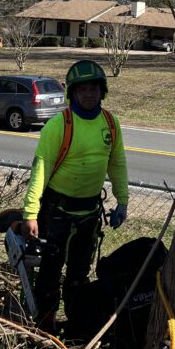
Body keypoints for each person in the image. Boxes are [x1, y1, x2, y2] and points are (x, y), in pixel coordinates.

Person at [22, 59, 128, 331]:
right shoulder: (60, 125)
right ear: (73, 94)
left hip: (89, 214)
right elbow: (41, 168)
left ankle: (77, 322)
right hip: (57, 213)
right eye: (82, 90)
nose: (89, 94)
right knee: (50, 271)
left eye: (94, 89)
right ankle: (45, 325)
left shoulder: (110, 124)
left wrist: (122, 200)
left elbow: (117, 162)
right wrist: (30, 213)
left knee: (80, 273)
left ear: (102, 91)